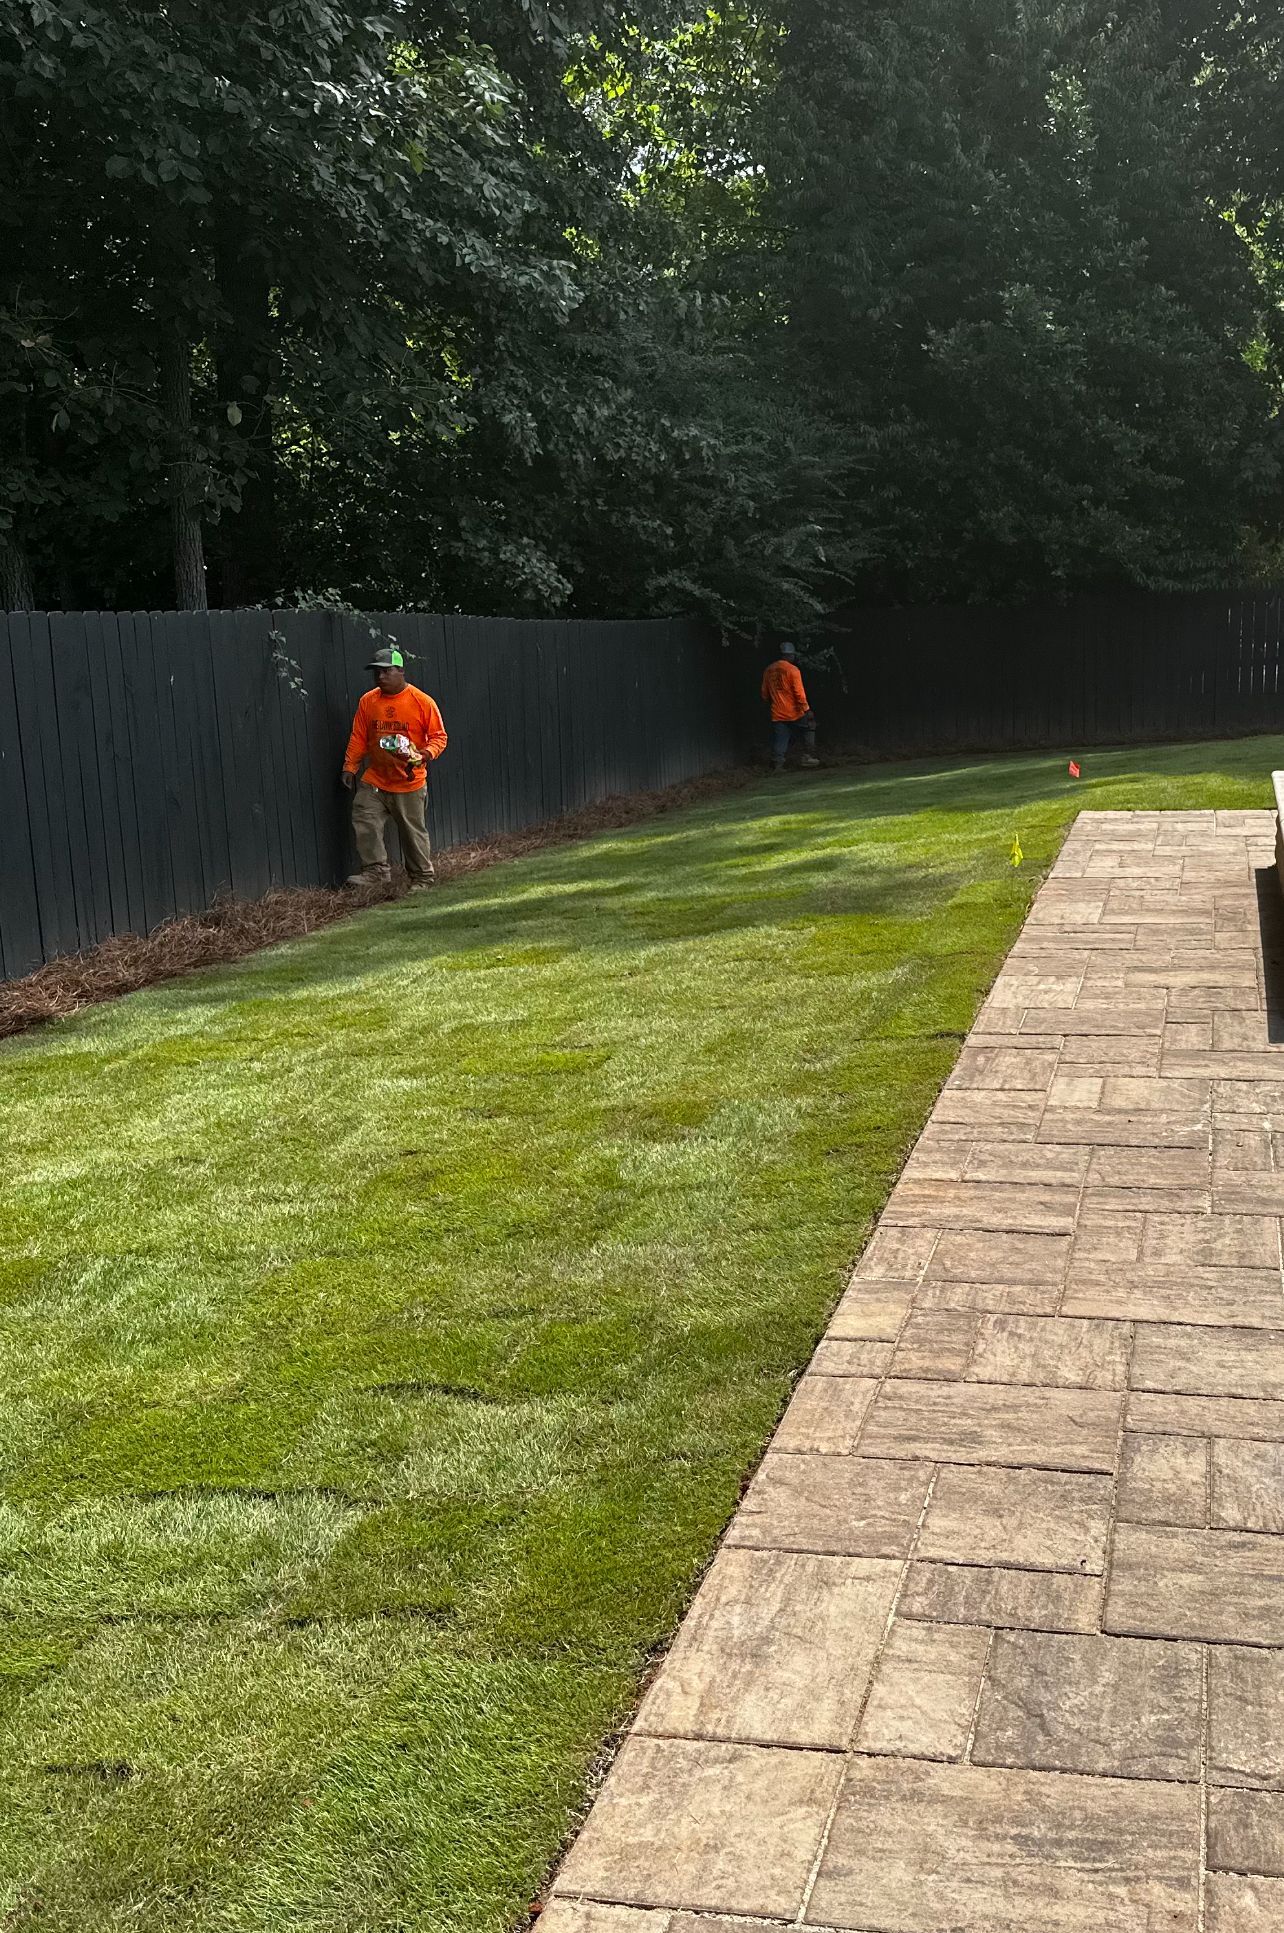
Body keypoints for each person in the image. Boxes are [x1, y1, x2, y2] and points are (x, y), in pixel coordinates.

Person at [341, 645, 447, 888]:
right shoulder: (368, 701)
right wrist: (350, 766)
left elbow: (439, 737)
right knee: (364, 818)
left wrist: (425, 754)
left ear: (401, 671)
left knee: (412, 833)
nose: (380, 677)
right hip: (376, 779)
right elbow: (359, 737)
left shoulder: (422, 702)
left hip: (409, 781)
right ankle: (375, 872)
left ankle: (422, 878)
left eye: (386, 671)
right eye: (376, 672)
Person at [761, 641, 819, 771]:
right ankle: (807, 756)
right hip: (795, 711)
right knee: (809, 727)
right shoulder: (793, 670)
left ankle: (778, 764)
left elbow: (764, 693)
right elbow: (799, 693)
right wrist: (807, 710)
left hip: (777, 712)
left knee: (780, 739)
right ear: (789, 655)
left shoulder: (769, 670)